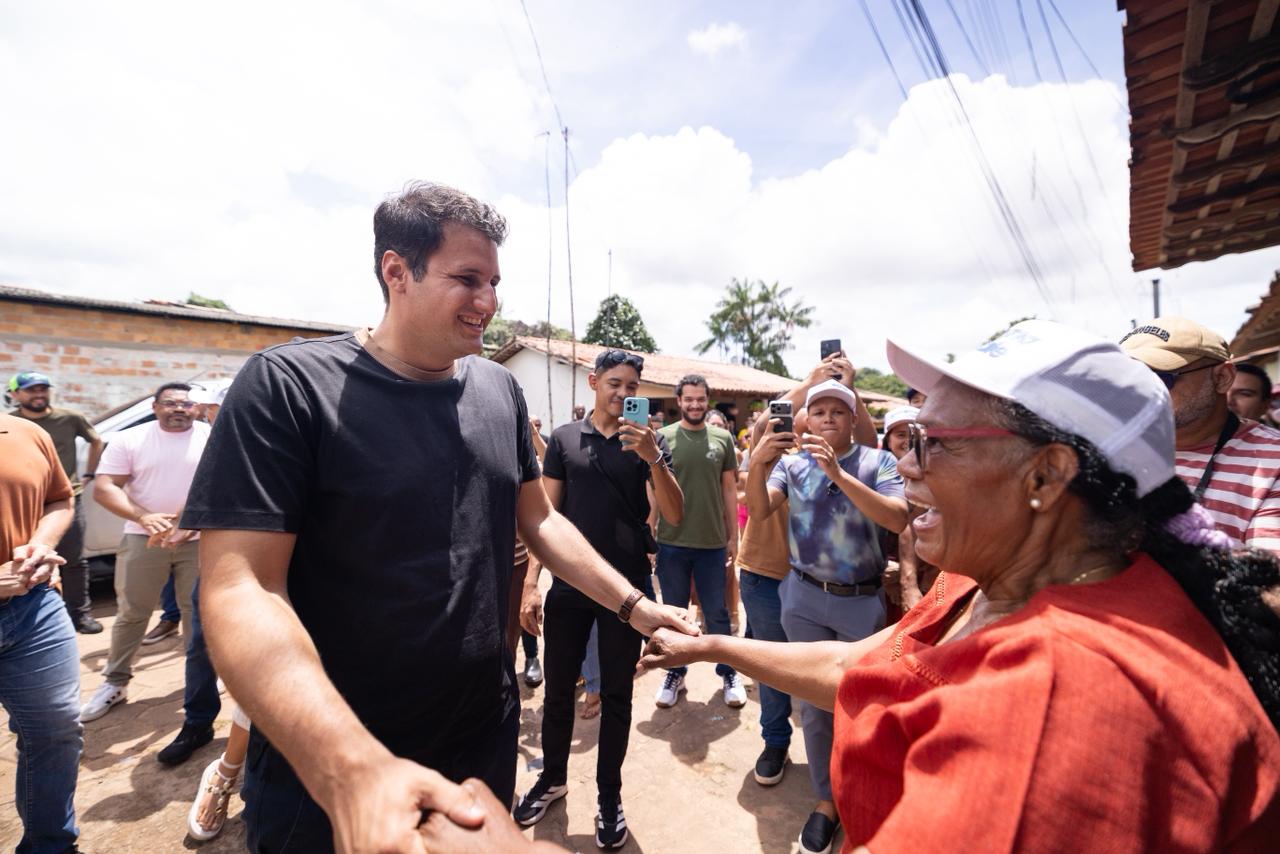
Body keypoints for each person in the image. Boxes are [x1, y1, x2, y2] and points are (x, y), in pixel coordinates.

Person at [181, 182, 696, 853]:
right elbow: (239, 584)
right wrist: (350, 771)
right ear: (397, 271)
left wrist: (632, 604)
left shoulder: (496, 388)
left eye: (494, 281)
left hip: (478, 734)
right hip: (335, 755)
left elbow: (539, 520)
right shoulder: (288, 387)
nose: (489, 302)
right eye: (468, 279)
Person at [635, 319, 1280, 852]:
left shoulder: (1054, 716)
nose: (907, 465)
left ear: (1045, 476)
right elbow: (859, 666)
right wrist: (713, 648)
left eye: (933, 443)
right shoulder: (985, 580)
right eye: (911, 439)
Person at [515, 348, 683, 849]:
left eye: (633, 386)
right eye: (615, 383)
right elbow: (548, 518)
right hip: (570, 585)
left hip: (628, 589)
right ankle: (553, 779)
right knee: (559, 690)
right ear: (593, 382)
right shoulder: (566, 440)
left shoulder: (648, 443)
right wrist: (531, 583)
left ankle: (609, 795)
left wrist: (654, 459)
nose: (624, 394)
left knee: (616, 695)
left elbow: (673, 513)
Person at [748, 379, 908, 854]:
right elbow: (758, 511)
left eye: (839, 411)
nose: (828, 419)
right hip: (802, 598)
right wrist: (758, 462)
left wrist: (838, 473)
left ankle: (863, 792)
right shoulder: (792, 465)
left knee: (860, 704)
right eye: (818, 412)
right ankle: (827, 801)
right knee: (816, 709)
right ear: (806, 420)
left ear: (853, 419)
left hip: (859, 601)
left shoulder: (879, 462)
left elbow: (897, 519)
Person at [82, 382, 216, 738]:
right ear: (155, 407)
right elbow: (105, 486)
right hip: (144, 538)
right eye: (170, 403)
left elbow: (220, 483)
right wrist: (144, 517)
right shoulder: (131, 439)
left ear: (196, 408)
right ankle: (115, 682)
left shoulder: (213, 437)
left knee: (198, 616)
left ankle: (201, 683)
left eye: (186, 404)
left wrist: (187, 520)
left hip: (199, 539)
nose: (179, 409)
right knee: (132, 612)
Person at [1121, 317, 1280, 554]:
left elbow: (1271, 581)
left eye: (1160, 377)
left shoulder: (1272, 461)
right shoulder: (1111, 449)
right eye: (1130, 379)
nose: (1142, 391)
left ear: (1222, 378)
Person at [0, 412, 81, 853]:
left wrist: (42, 543)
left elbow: (59, 501)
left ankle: (50, 845)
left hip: (34, 608)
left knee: (56, 731)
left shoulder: (27, 432)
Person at [653, 374, 744, 708]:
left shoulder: (722, 439)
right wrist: (650, 530)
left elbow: (729, 491)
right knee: (673, 614)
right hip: (671, 541)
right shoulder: (662, 437)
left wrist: (733, 536)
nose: (694, 404)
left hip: (712, 542)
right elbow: (653, 487)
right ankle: (675, 672)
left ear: (708, 400)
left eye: (700, 399)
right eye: (688, 399)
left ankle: (728, 671)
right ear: (678, 401)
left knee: (717, 613)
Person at [8, 370, 105, 633]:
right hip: (26, 503)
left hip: (66, 498)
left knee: (72, 560)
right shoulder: (11, 424)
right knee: (25, 557)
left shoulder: (69, 418)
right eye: (31, 390)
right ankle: (32, 618)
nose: (39, 394)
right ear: (14, 394)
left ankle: (80, 615)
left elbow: (97, 441)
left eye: (43, 388)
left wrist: (88, 475)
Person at [878, 405, 932, 617]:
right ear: (888, 441)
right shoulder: (874, 475)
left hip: (926, 578)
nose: (908, 440)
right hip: (880, 579)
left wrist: (909, 579)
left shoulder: (937, 475)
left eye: (914, 433)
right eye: (901, 434)